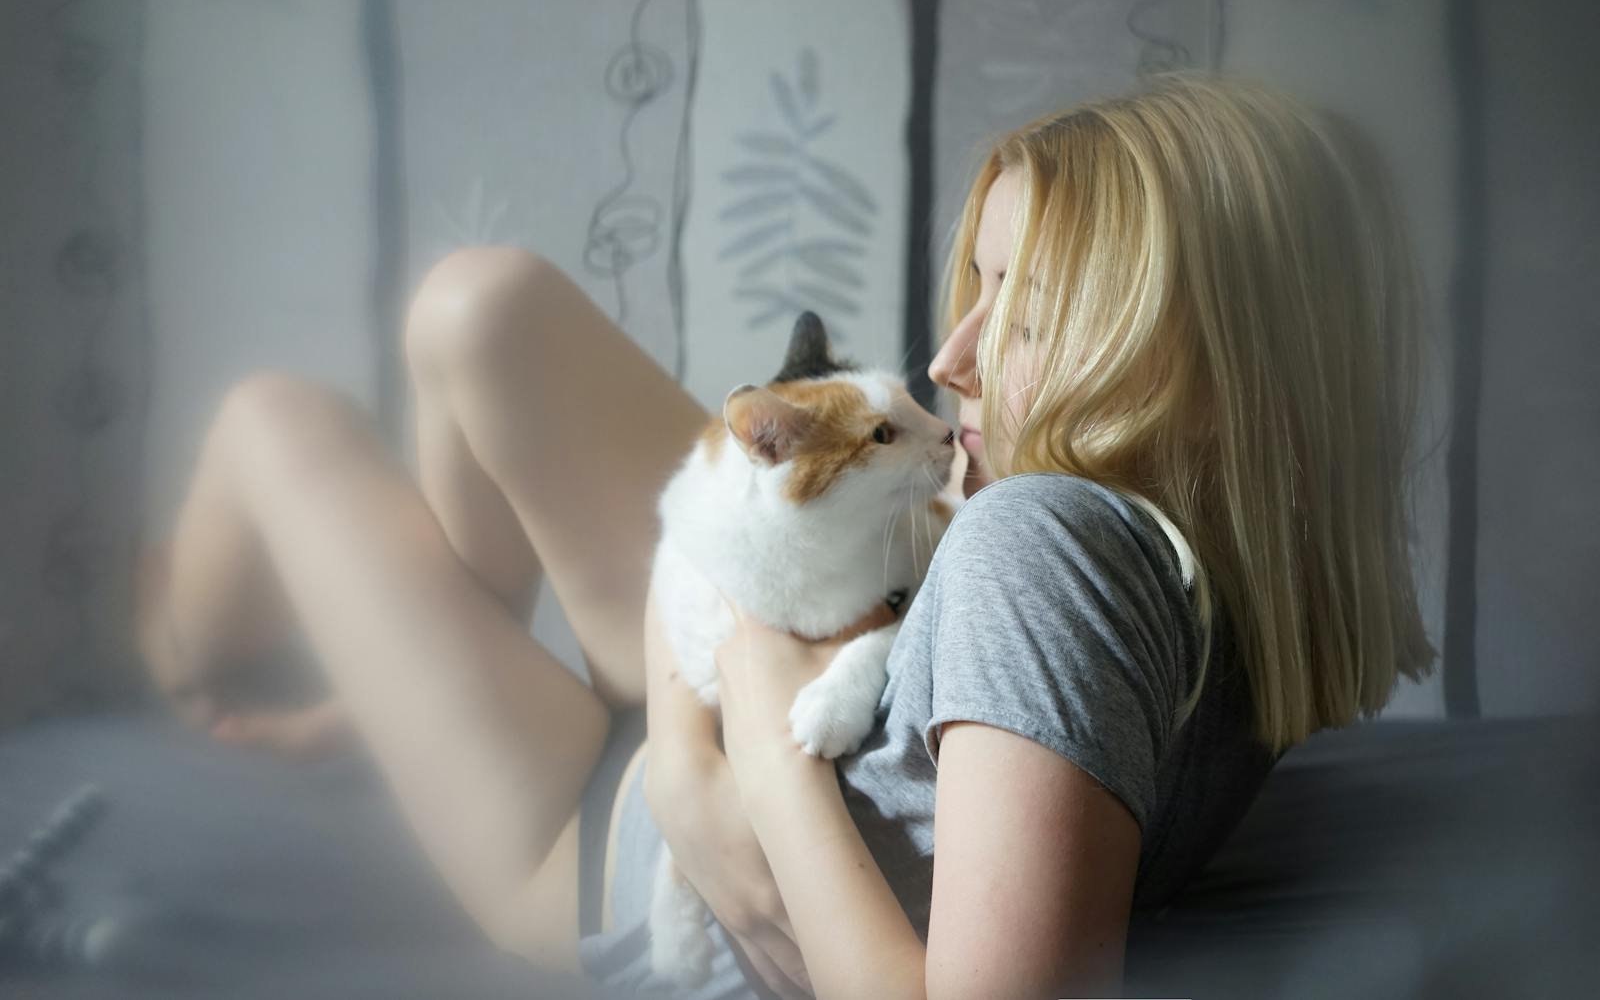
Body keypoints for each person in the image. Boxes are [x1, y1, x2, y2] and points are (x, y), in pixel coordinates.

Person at [135, 70, 1436, 998]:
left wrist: (742, 755)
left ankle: (197, 660)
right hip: (711, 705)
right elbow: (731, 527)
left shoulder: (1045, 542)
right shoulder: (1242, 550)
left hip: (599, 855)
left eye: (1025, 316)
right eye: (979, 284)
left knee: (272, 423)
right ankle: (432, 662)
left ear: (1194, 366)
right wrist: (720, 725)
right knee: (483, 307)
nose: (950, 358)